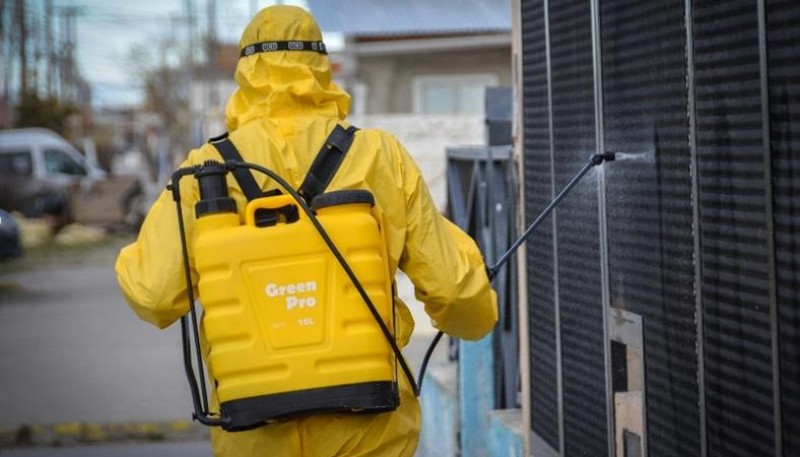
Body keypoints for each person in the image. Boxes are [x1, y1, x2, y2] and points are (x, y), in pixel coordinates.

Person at [115, 5, 497, 457]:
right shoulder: (379, 157)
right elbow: (456, 294)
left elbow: (154, 293)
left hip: (255, 430)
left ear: (245, 72)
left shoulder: (205, 170)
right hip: (369, 429)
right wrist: (476, 311)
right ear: (322, 69)